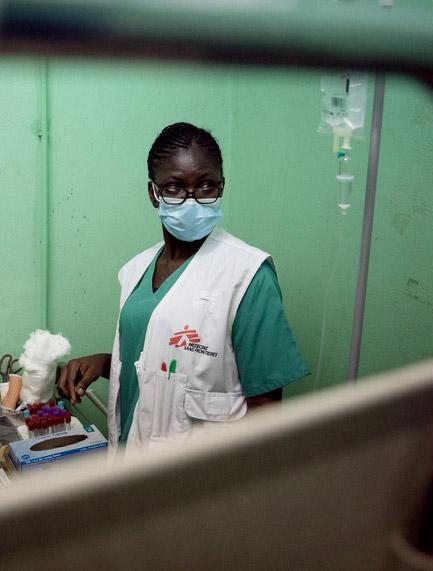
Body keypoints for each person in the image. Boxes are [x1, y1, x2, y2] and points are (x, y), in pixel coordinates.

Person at [58, 122, 308, 453]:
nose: (192, 201)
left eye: (206, 186)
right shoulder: (135, 270)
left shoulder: (247, 274)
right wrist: (104, 363)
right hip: (129, 456)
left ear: (222, 186)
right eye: (174, 187)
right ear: (153, 193)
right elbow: (158, 363)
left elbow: (264, 409)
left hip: (203, 479)